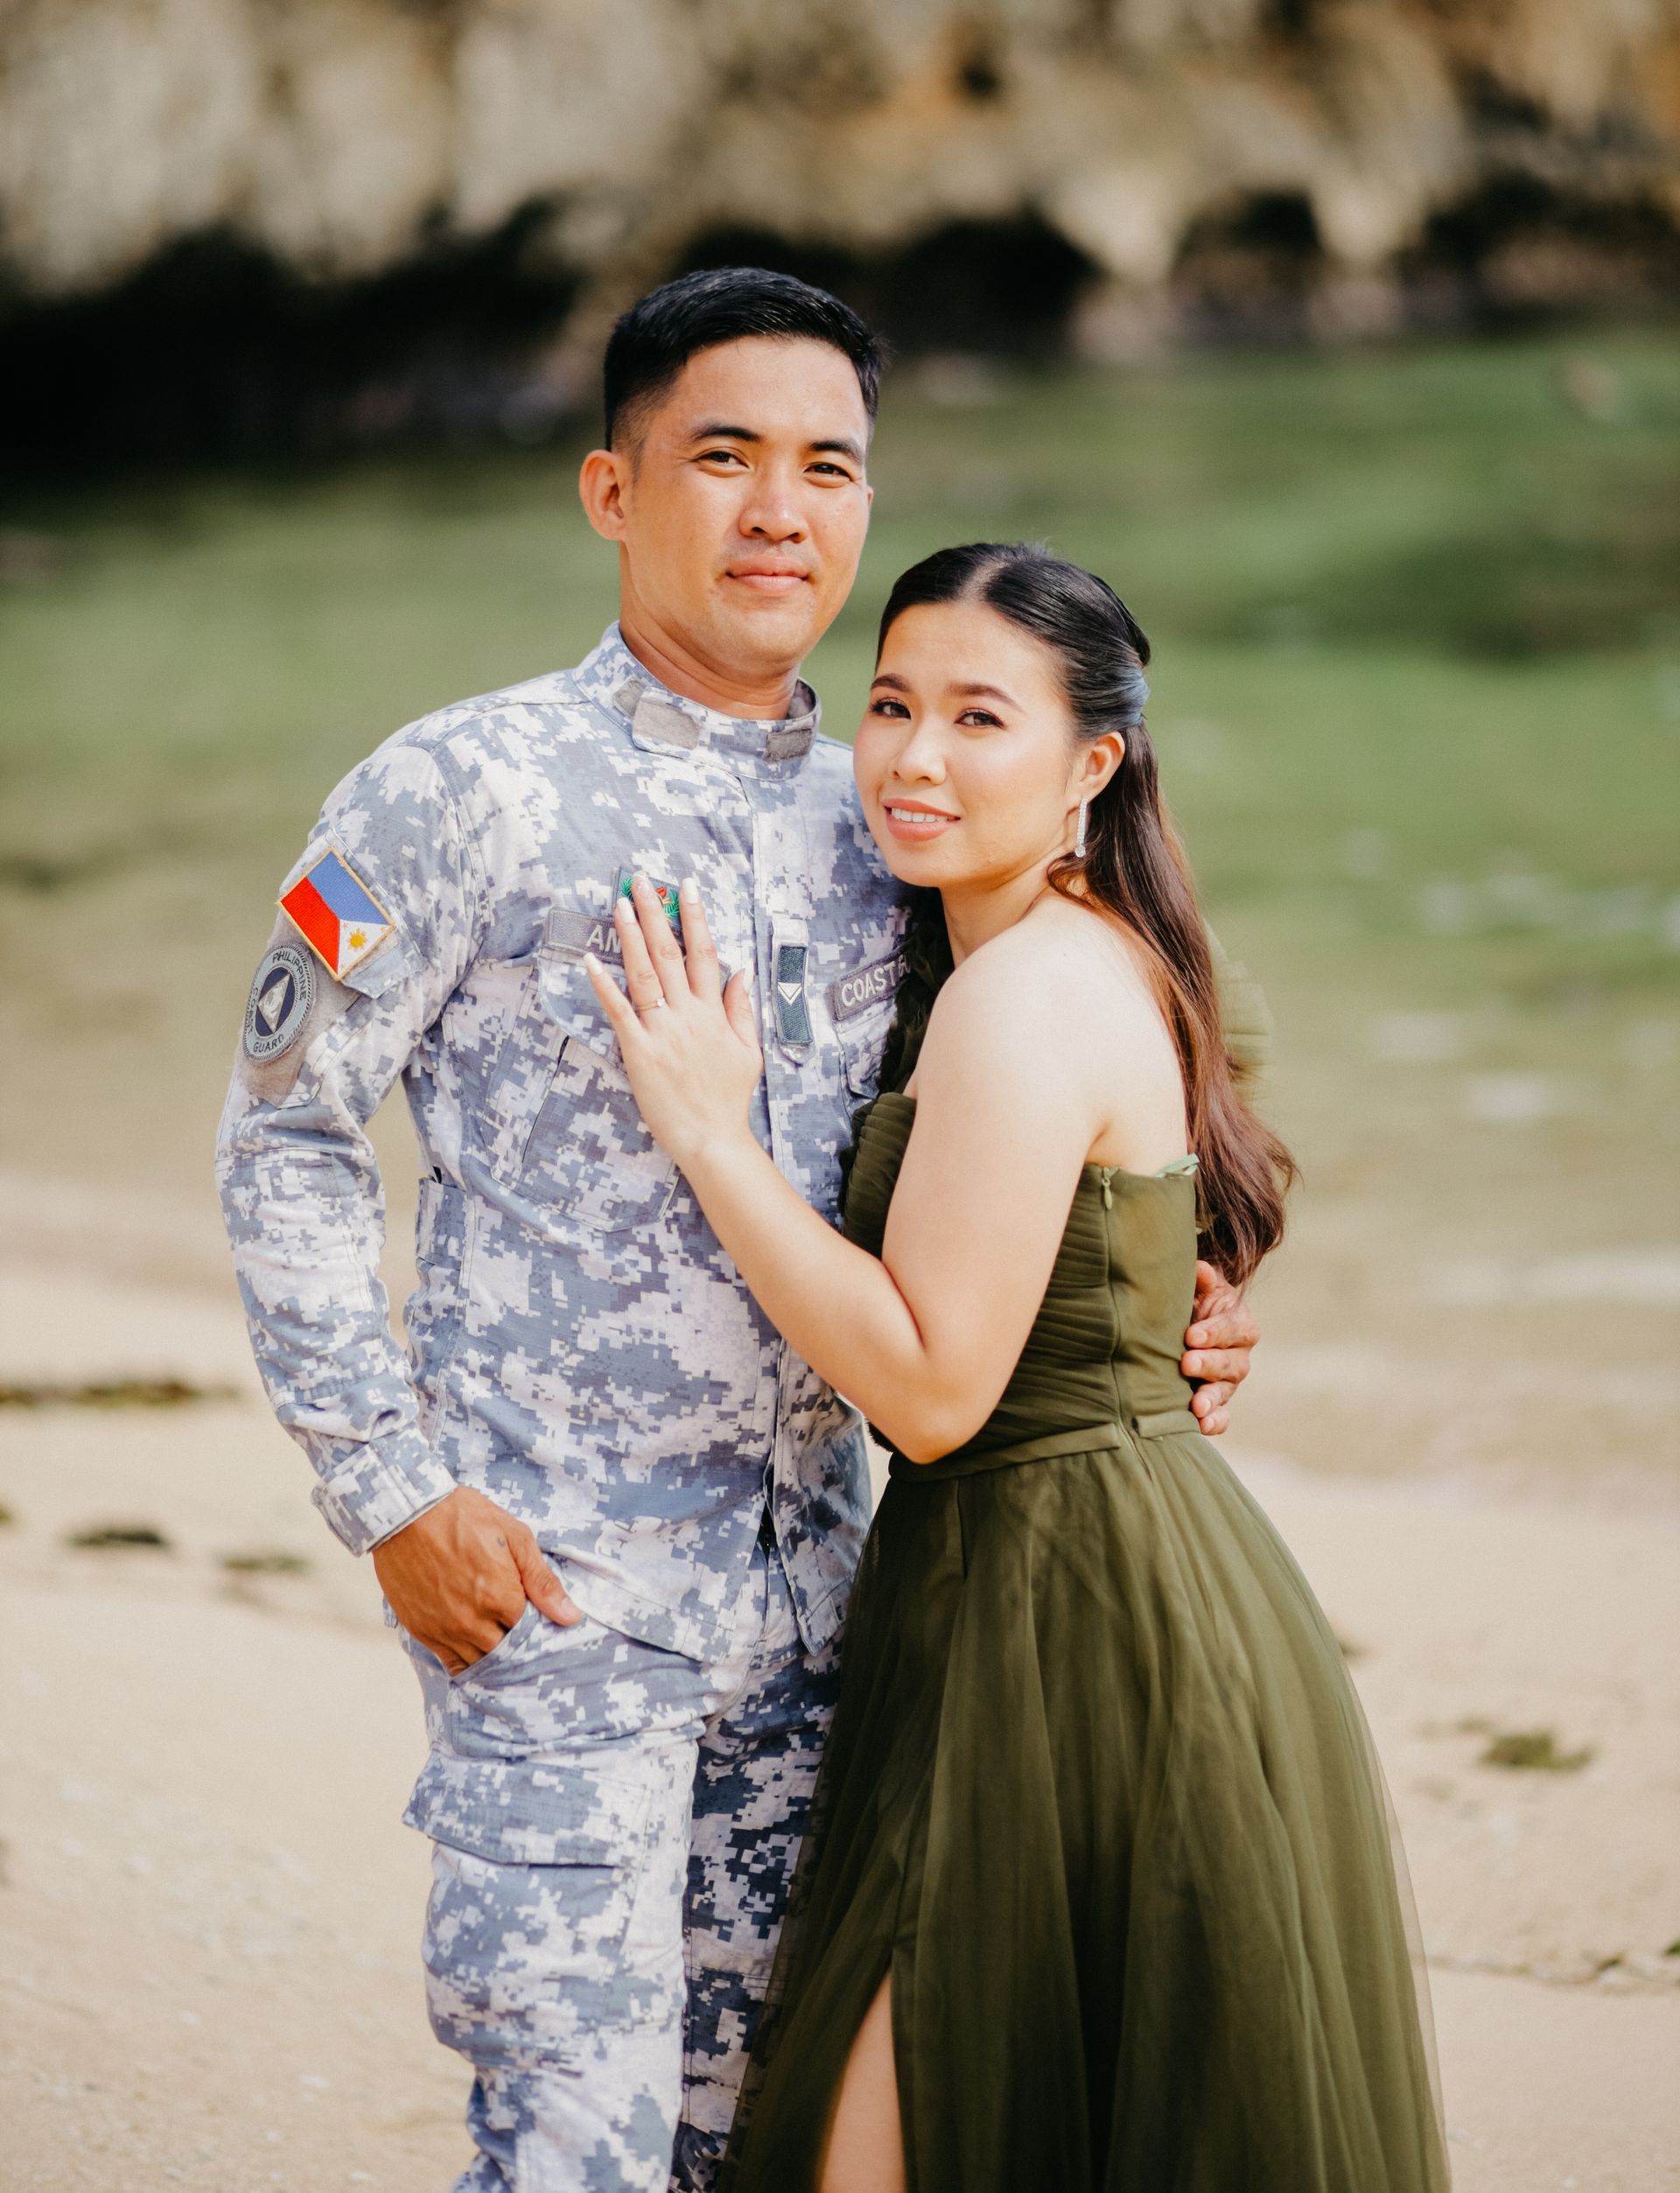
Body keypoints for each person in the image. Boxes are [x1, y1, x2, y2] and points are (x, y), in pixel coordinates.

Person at [214, 269, 1261, 2193]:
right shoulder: (455, 789)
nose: (783, 509)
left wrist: (1148, 1308)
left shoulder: (896, 814)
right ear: (612, 491)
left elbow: (1024, 1116)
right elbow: (283, 1135)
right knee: (578, 2155)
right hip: (560, 1598)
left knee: (751, 2149)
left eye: (828, 466)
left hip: (837, 1617)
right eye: (725, 456)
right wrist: (389, 1489)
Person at [585, 543, 1450, 2193]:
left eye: (981, 717)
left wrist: (708, 1133)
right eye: (891, 703)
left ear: (1092, 762)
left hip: (1069, 1614)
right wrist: (1168, 1305)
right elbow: (1159, 1184)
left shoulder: (1025, 993)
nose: (915, 758)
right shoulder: (1092, 950)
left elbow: (929, 1394)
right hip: (1085, 1574)